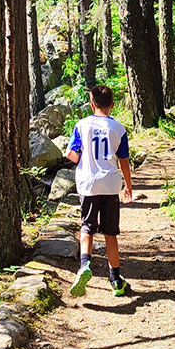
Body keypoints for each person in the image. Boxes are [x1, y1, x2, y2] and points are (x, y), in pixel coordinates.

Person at [65, 85, 132, 297]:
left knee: (87, 227)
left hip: (87, 184)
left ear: (92, 104)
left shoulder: (82, 125)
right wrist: (128, 187)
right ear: (112, 105)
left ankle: (85, 265)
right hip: (110, 184)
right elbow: (123, 160)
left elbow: (70, 154)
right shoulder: (118, 129)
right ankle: (115, 279)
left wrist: (84, 161)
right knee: (111, 233)